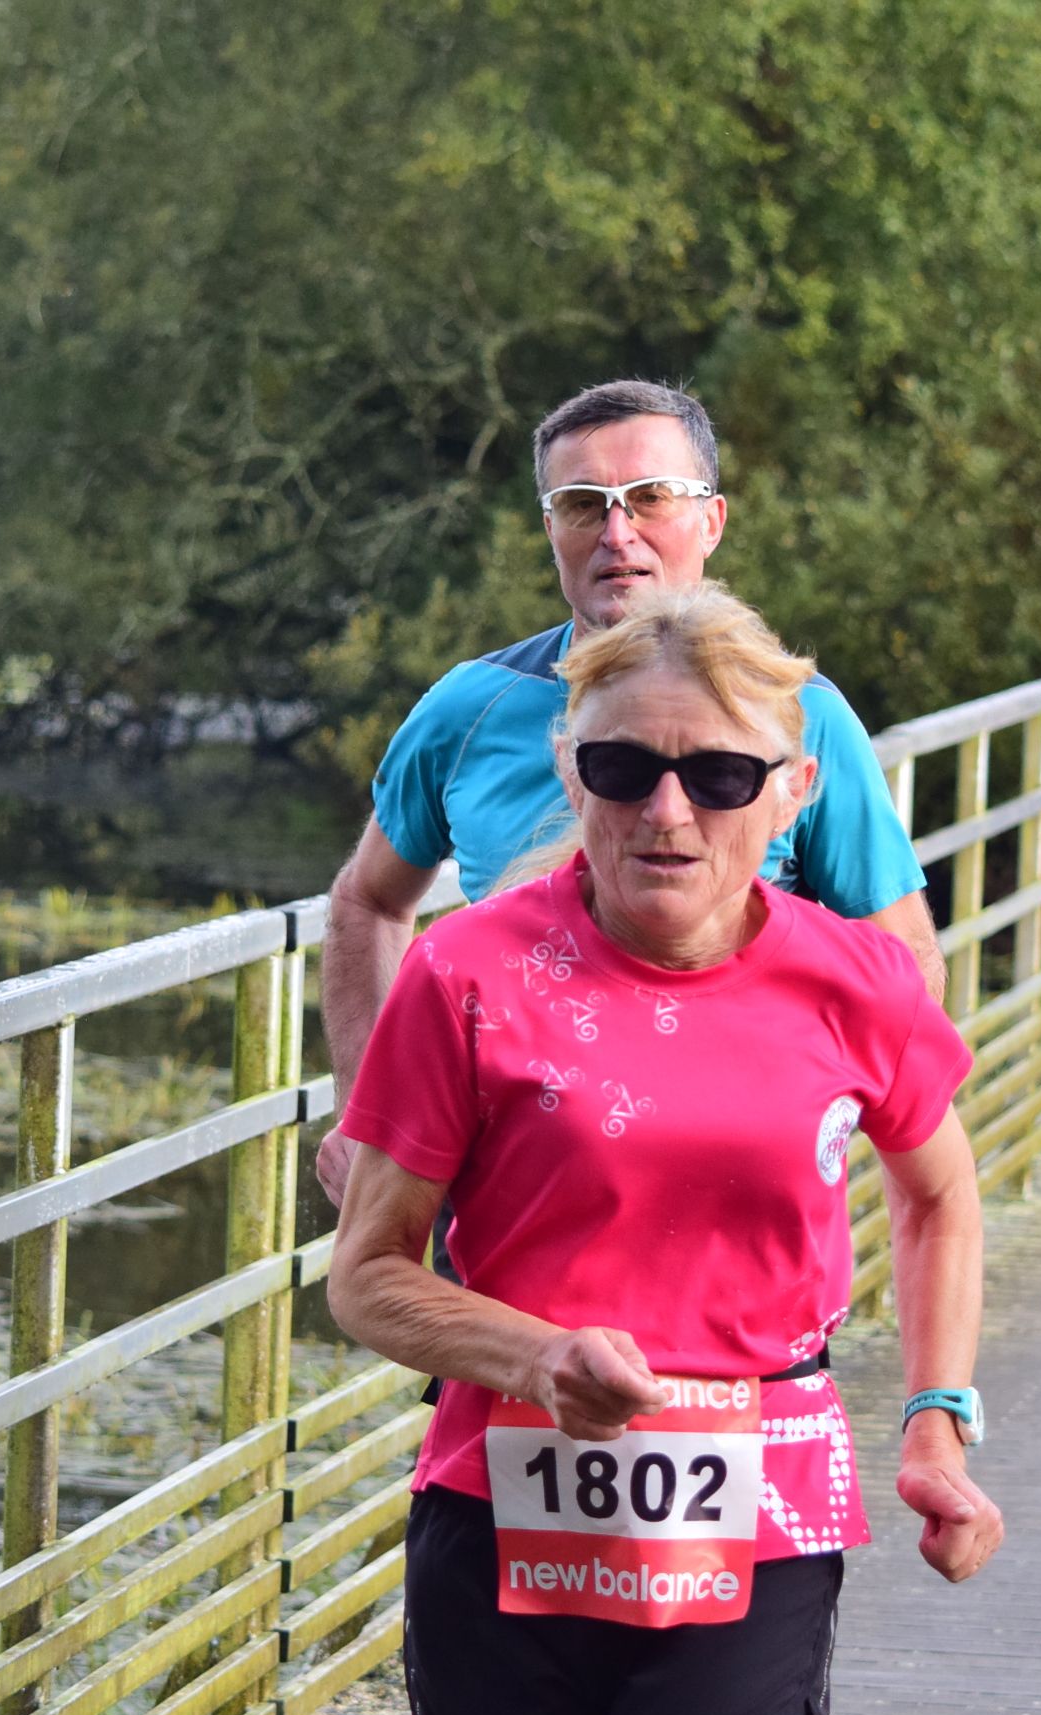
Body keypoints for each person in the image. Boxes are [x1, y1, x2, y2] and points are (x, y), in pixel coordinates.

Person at [325, 584, 1002, 1715]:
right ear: (571, 770)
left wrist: (938, 1419)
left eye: (722, 776)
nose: (668, 811)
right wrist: (535, 1357)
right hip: (501, 1529)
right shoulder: (465, 972)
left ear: (794, 791)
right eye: (624, 767)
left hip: (751, 1530)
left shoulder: (856, 980)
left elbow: (938, 1191)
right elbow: (369, 1277)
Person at [318, 380, 942, 1206]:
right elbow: (369, 901)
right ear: (550, 529)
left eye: (652, 498)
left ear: (711, 521)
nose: (619, 533)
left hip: (726, 1196)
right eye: (583, 505)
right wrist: (375, 1112)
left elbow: (902, 961)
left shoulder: (800, 718)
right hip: (497, 1195)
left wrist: (807, 1131)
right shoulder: (468, 710)